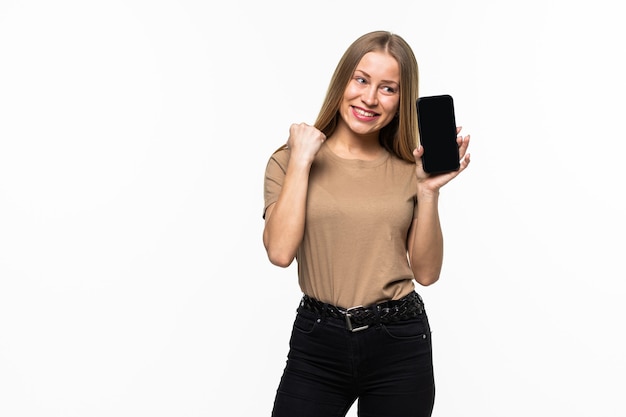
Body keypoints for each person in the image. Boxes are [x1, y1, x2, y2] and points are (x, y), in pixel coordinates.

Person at [262, 30, 470, 417]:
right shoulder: (289, 161)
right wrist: (303, 161)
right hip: (317, 341)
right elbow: (279, 252)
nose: (370, 98)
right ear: (342, 81)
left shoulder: (411, 169)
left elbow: (426, 273)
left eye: (388, 88)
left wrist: (428, 192)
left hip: (399, 341)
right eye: (361, 80)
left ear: (401, 101)